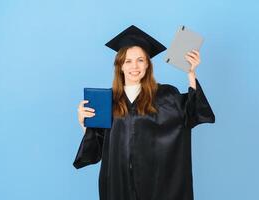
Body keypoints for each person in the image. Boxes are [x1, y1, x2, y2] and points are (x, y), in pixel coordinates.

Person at [73, 25, 215, 200]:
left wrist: (191, 73)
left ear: (147, 64)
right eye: (128, 61)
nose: (135, 66)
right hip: (118, 182)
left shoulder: (165, 95)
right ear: (120, 66)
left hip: (156, 182)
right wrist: (83, 122)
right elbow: (98, 146)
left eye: (140, 60)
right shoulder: (107, 100)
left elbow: (193, 114)